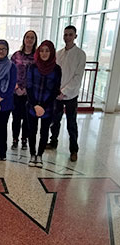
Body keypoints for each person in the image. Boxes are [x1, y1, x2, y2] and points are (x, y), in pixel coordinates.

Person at [46, 25, 86, 162]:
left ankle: (74, 150)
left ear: (75, 36)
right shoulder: (59, 53)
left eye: (70, 34)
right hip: (57, 95)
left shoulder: (80, 54)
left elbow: (77, 77)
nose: (67, 37)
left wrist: (65, 92)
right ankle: (53, 142)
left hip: (71, 95)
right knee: (55, 120)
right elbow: (54, 73)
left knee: (71, 123)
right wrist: (56, 91)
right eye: (65, 34)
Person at [26, 40, 61, 168]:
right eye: (42, 50)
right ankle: (32, 154)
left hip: (48, 106)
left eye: (47, 51)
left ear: (51, 52)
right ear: (38, 52)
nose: (44, 53)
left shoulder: (57, 69)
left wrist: (43, 107)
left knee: (44, 132)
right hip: (32, 105)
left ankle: (39, 155)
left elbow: (55, 90)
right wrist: (35, 105)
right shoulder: (32, 67)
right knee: (32, 131)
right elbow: (28, 87)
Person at [10, 30, 37, 151]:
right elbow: (10, 72)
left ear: (35, 40)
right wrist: (16, 87)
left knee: (27, 118)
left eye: (32, 38)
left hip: (30, 93)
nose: (29, 40)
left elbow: (38, 75)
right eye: (27, 37)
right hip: (16, 92)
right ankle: (15, 139)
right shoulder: (16, 55)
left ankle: (24, 139)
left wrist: (27, 89)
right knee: (16, 117)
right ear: (24, 39)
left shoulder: (37, 57)